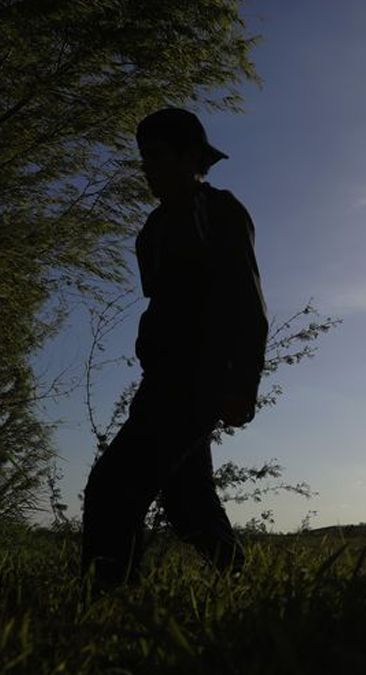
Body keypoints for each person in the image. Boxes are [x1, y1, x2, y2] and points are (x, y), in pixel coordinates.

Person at [81, 108, 269, 590]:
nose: (148, 168)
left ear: (191, 158)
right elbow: (164, 307)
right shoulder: (153, 231)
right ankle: (242, 585)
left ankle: (105, 602)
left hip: (199, 378)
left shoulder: (219, 211)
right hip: (162, 378)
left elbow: (247, 301)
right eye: (144, 158)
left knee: (113, 487)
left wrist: (242, 384)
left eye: (159, 156)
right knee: (188, 502)